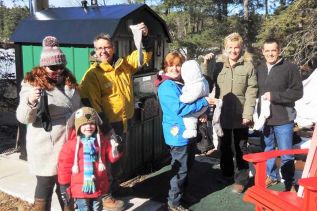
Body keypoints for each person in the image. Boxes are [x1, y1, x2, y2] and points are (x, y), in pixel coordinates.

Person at [79, 22, 152, 209]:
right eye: (99, 48)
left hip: (125, 122)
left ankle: (115, 187)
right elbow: (90, 105)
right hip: (106, 127)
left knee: (118, 159)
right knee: (104, 162)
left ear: (113, 48)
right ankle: (105, 196)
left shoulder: (124, 65)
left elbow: (143, 57)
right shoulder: (92, 75)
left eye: (107, 47)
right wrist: (106, 130)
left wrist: (145, 37)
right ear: (95, 51)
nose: (103, 51)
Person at [15, 36, 82, 210]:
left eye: (61, 66)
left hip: (69, 144)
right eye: (53, 67)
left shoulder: (70, 82)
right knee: (45, 186)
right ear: (43, 66)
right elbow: (23, 118)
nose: (58, 71)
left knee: (66, 186)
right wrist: (31, 101)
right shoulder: (32, 84)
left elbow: (78, 109)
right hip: (46, 146)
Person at [155, 51, 215, 211]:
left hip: (188, 132)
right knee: (180, 169)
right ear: (165, 67)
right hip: (178, 135)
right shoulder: (167, 86)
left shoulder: (181, 83)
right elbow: (179, 108)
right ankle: (173, 202)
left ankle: (182, 194)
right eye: (170, 65)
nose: (174, 69)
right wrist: (203, 103)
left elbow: (191, 102)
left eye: (178, 65)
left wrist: (201, 112)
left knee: (187, 166)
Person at [202, 32, 258, 193]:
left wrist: (248, 114)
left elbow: (252, 91)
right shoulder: (218, 65)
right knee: (224, 146)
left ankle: (241, 179)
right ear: (225, 48)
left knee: (240, 147)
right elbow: (206, 82)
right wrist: (206, 63)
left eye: (237, 47)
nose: (234, 51)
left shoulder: (248, 66)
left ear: (241, 48)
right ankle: (226, 174)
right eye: (230, 48)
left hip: (241, 115)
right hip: (222, 114)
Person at [256, 37, 303, 191]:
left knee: (286, 153)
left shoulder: (290, 68)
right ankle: (272, 176)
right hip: (265, 119)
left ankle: (289, 181)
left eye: (273, 50)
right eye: (267, 50)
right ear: (263, 52)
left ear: (279, 51)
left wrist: (274, 96)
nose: (270, 54)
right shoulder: (259, 68)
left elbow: (297, 92)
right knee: (267, 150)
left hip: (284, 118)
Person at [58, 107, 123, 211]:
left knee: (97, 208)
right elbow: (64, 167)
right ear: (78, 126)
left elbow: (111, 157)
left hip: (98, 185)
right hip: (80, 189)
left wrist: (116, 148)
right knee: (83, 208)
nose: (88, 126)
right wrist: (64, 186)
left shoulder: (101, 141)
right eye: (84, 124)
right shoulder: (71, 145)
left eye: (92, 124)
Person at [179, 60, 209, 139]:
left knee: (189, 117)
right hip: (202, 105)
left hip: (200, 105)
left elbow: (190, 97)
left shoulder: (197, 85)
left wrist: (182, 98)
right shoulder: (203, 81)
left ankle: (191, 130)